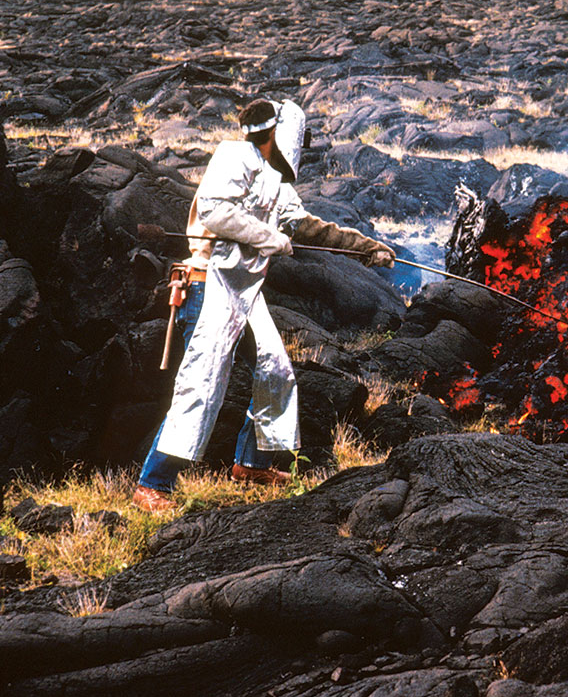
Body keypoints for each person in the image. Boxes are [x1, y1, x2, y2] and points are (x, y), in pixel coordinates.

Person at [132, 98, 395, 513]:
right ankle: (153, 484)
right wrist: (268, 238)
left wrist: (364, 248)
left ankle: (251, 464)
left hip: (242, 292)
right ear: (282, 132)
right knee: (202, 385)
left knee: (275, 368)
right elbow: (216, 211)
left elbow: (308, 227)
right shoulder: (233, 156)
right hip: (206, 283)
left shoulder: (276, 181)